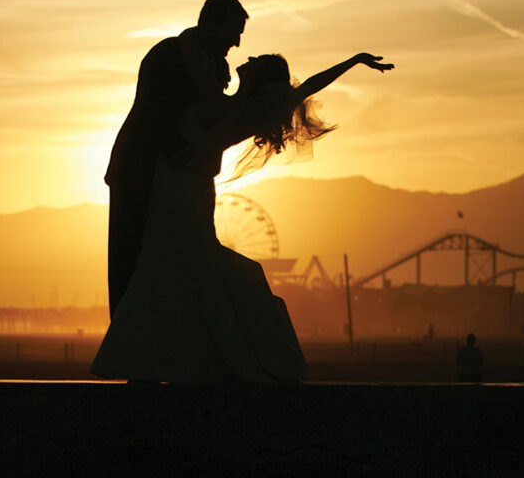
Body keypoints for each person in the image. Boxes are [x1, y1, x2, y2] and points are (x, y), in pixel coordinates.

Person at [91, 51, 393, 383]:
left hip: (183, 189)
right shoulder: (233, 101)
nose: (246, 55)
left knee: (171, 267)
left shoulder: (254, 106)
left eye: (255, 59)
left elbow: (307, 86)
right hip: (176, 186)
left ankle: (155, 361)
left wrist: (353, 61)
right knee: (177, 268)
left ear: (262, 77)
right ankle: (169, 359)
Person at [104, 0, 248, 319]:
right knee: (133, 264)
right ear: (210, 24)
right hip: (140, 175)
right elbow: (160, 121)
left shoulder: (212, 65)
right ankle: (133, 348)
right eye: (233, 32)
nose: (237, 43)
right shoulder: (169, 56)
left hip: (175, 179)